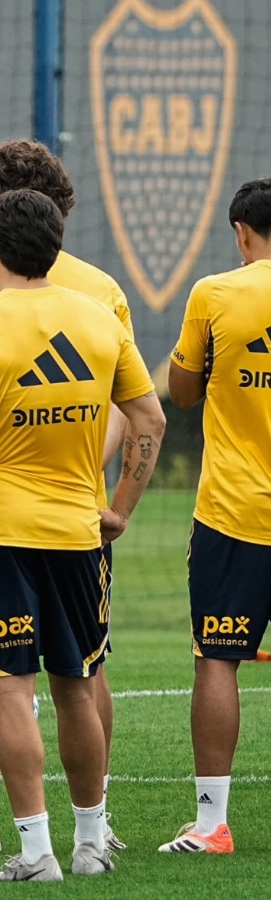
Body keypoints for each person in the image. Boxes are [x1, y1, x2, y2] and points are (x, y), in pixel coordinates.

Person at [0, 188, 164, 881]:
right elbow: (150, 419)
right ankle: (89, 844)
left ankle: (34, 854)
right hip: (79, 531)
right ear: (56, 248)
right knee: (78, 688)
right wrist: (120, 508)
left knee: (11, 691)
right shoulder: (98, 320)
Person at [160, 177, 271, 854]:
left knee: (218, 661)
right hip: (233, 512)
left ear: (240, 232)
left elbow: (182, 393)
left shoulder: (215, 293)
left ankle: (211, 824)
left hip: (233, 513)